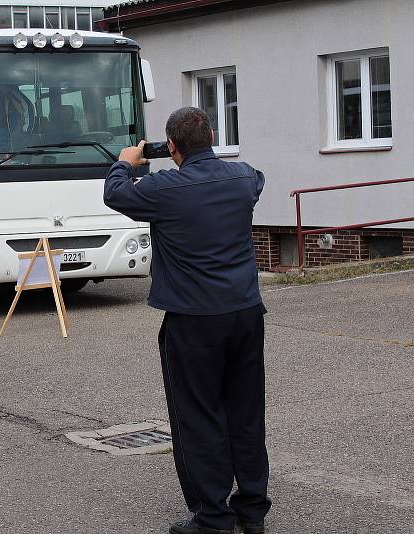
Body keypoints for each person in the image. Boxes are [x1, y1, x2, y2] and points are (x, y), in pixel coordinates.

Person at [103, 107, 270, 534]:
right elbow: (257, 182)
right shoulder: (243, 176)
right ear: (212, 135)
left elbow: (116, 195)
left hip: (194, 320)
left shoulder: (164, 188)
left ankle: (214, 516)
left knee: (198, 416)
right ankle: (251, 510)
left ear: (171, 147)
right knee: (246, 414)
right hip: (246, 314)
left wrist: (125, 162)